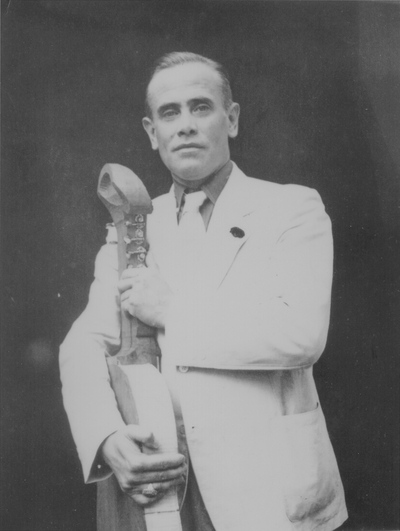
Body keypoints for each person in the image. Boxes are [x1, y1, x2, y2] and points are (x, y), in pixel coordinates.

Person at [60, 51, 348, 530]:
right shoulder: (132, 223)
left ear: (231, 120)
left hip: (267, 493)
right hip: (167, 493)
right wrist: (106, 437)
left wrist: (172, 310)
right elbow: (84, 343)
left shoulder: (291, 208)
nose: (186, 125)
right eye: (170, 113)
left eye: (201, 107)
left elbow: (300, 334)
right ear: (153, 133)